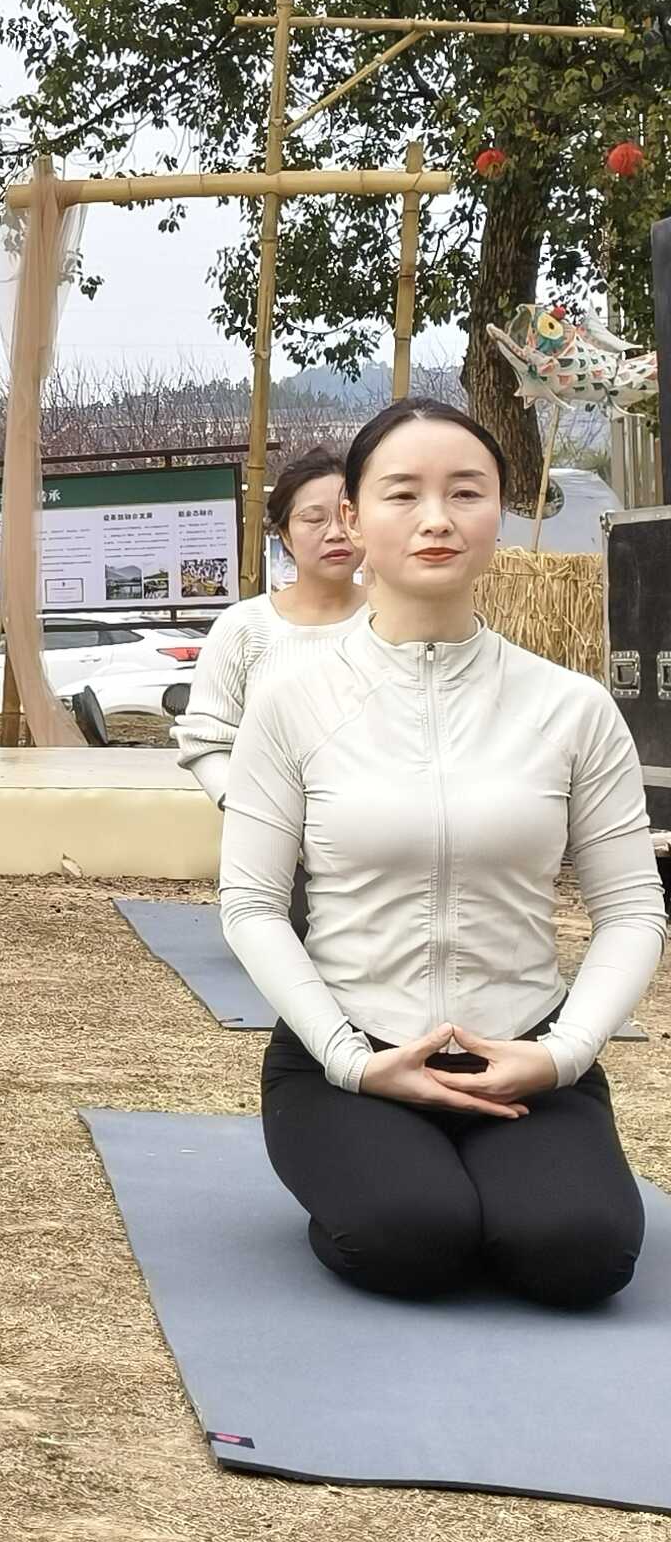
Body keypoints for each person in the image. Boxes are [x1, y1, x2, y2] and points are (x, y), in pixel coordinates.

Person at [217, 396, 659, 1308]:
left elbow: (632, 910)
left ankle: (504, 1186)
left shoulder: (570, 708)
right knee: (408, 1241)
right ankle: (397, 1175)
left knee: (580, 1258)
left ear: (500, 511)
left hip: (523, 1053)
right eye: (402, 493)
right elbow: (251, 905)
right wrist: (349, 1057)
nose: (436, 519)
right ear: (354, 519)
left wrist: (564, 1053)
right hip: (350, 1058)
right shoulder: (290, 703)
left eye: (466, 492)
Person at [172, 445, 362, 808]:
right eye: (314, 519)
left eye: (348, 516)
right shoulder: (244, 626)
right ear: (285, 534)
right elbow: (206, 740)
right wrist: (251, 813)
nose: (336, 533)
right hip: (271, 831)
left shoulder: (393, 619)